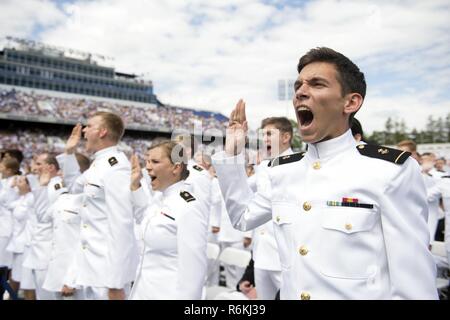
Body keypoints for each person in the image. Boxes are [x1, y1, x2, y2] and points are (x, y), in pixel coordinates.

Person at [212, 47, 437, 299]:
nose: (300, 92)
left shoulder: (389, 171)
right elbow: (243, 217)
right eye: (298, 86)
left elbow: (414, 284)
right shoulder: (283, 171)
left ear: (351, 102)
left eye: (317, 84)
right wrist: (231, 154)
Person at [71, 112, 138, 300]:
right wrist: (69, 154)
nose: (84, 130)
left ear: (102, 132)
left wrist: (116, 281)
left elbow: (122, 223)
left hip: (107, 272)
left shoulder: (115, 167)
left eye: (89, 126)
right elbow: (72, 188)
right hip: (91, 266)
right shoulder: (98, 164)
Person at [128, 141, 208, 299]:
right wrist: (135, 186)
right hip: (144, 290)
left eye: (155, 162)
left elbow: (194, 270)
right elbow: (144, 220)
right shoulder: (160, 197)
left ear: (176, 167)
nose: (148, 167)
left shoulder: (188, 206)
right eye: (147, 161)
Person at [250, 117, 293, 300]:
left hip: (285, 255)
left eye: (269, 134)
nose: (265, 139)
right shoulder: (263, 166)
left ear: (285, 137)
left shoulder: (297, 164)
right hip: (261, 253)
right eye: (263, 134)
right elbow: (242, 192)